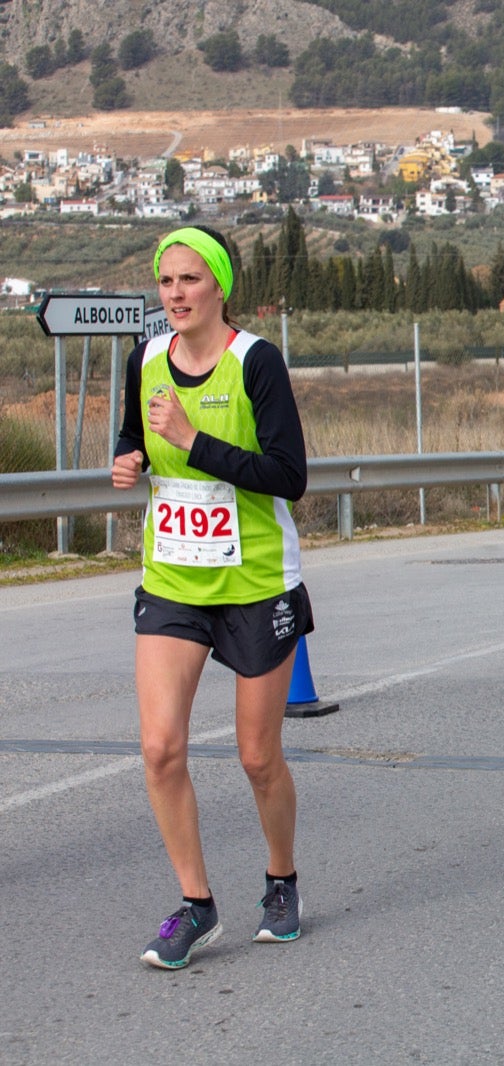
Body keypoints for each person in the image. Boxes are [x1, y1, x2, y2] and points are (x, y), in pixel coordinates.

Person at [111, 225, 313, 969]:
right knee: (161, 748)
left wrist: (196, 443)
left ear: (220, 286)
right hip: (173, 580)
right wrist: (128, 459)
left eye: (191, 280)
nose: (176, 295)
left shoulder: (256, 362)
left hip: (256, 582)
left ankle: (282, 878)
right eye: (167, 282)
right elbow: (135, 435)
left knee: (258, 757)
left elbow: (289, 475)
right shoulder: (145, 360)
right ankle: (196, 905)